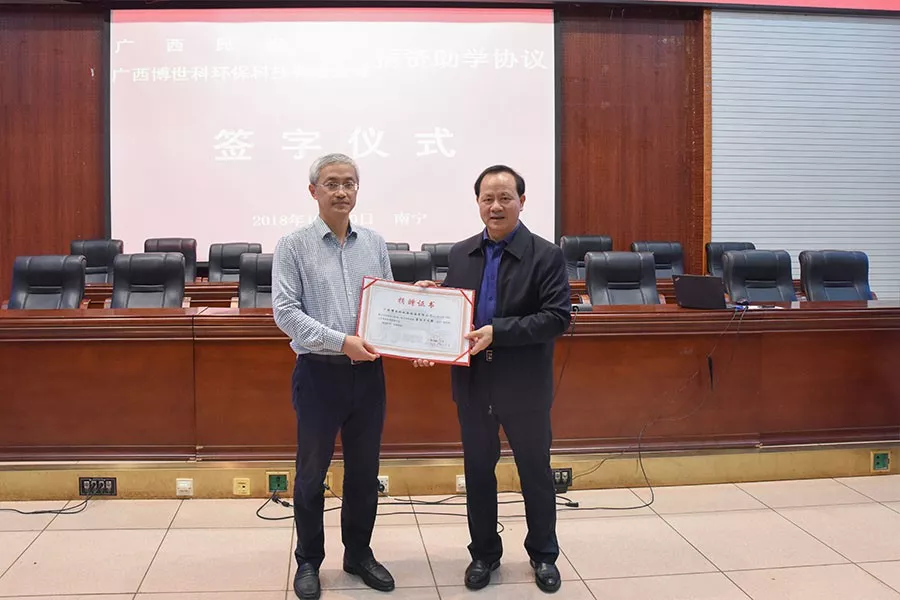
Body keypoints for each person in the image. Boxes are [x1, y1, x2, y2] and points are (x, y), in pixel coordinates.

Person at [414, 165, 571, 593]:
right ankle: (484, 554)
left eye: (505, 197)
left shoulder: (546, 255)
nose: (496, 206)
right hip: (473, 383)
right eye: (488, 198)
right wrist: (431, 306)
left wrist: (497, 332)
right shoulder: (461, 253)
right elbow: (455, 312)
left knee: (534, 472)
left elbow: (557, 318)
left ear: (522, 201)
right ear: (478, 202)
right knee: (478, 473)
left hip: (524, 385)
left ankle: (543, 555)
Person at [273, 153, 396, 600]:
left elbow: (386, 305)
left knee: (364, 473)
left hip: (369, 376)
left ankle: (358, 554)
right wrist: (341, 342)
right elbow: (286, 313)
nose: (341, 191)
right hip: (319, 376)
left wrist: (416, 310)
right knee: (311, 473)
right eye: (331, 184)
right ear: (314, 191)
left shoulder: (374, 243)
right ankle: (308, 560)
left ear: (357, 190)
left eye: (349, 183)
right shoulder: (293, 245)